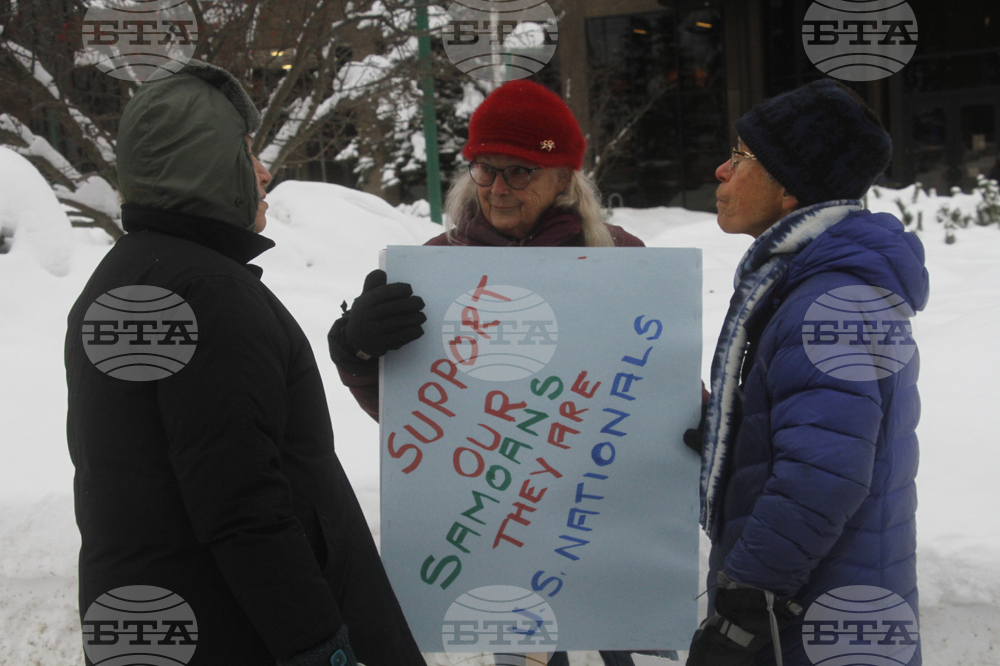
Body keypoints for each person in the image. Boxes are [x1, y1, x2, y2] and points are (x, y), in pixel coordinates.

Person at [65, 61, 423, 666]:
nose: (264, 172)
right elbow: (242, 502)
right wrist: (319, 645)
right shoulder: (210, 295)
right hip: (241, 634)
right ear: (204, 165)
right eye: (246, 152)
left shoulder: (123, 277)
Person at [328, 80, 650, 666]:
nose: (498, 188)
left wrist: (690, 423)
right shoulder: (437, 268)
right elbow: (414, 417)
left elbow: (652, 375)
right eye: (484, 168)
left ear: (564, 178)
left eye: (520, 171)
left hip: (597, 505)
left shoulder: (618, 259)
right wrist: (357, 351)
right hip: (490, 512)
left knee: (614, 632)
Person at [685, 79, 929, 666]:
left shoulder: (832, 303)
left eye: (741, 156)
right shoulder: (815, 287)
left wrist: (745, 607)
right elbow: (816, 438)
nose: (722, 170)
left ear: (790, 188)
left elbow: (823, 475)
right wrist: (733, 429)